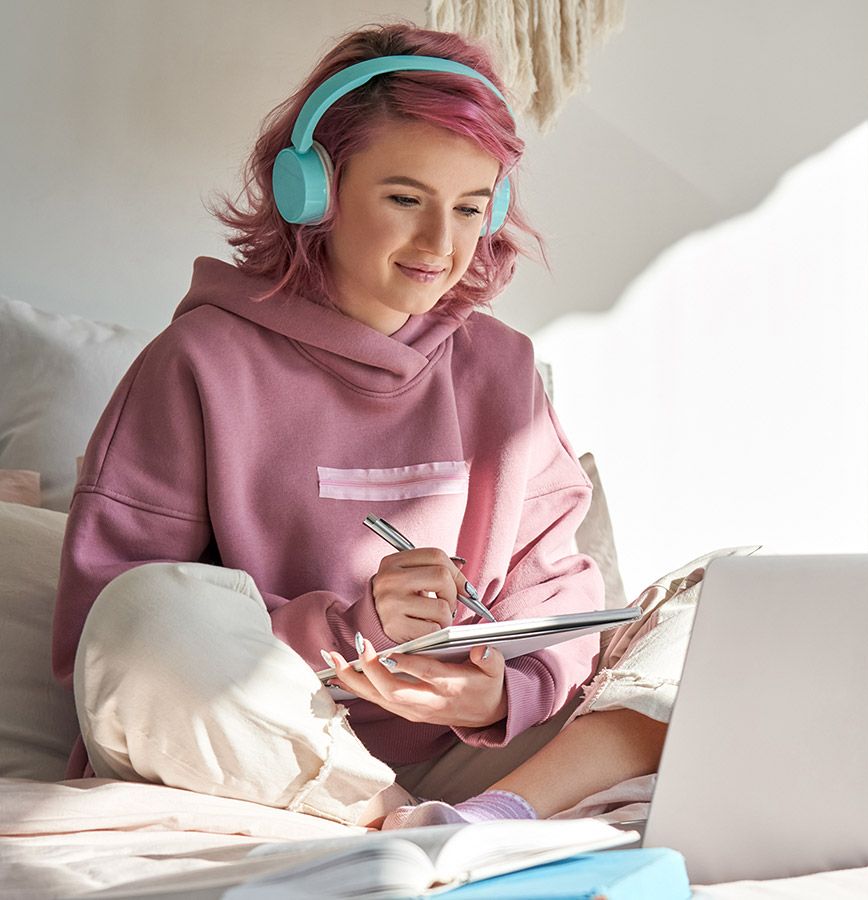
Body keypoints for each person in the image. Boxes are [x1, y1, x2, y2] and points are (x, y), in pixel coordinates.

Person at [51, 20, 678, 830]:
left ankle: (487, 820)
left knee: (707, 605)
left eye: (468, 208)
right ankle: (390, 822)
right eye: (405, 198)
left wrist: (502, 693)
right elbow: (106, 640)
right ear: (312, 190)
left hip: (465, 758)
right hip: (261, 749)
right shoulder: (197, 362)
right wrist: (353, 632)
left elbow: (557, 588)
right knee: (144, 613)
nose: (440, 243)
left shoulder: (504, 368)